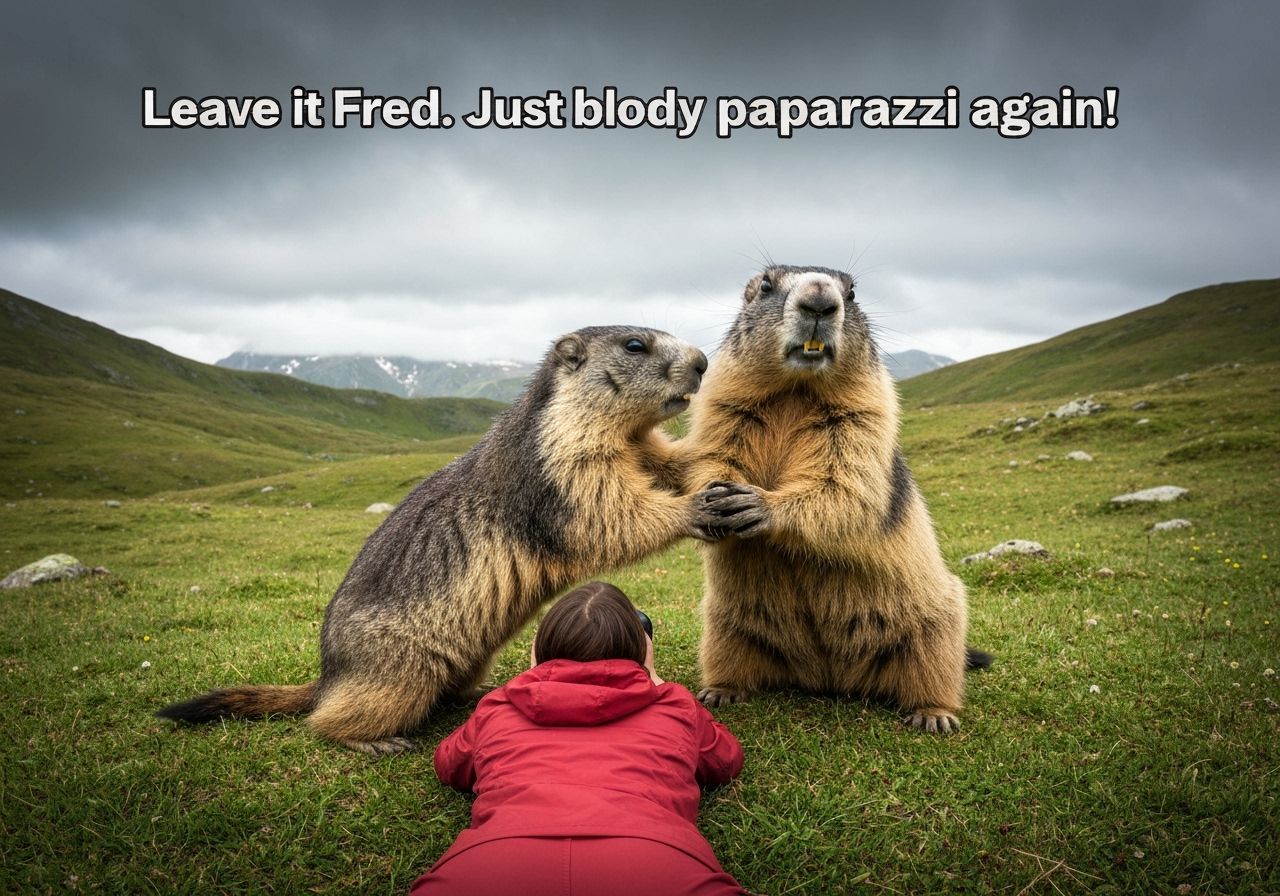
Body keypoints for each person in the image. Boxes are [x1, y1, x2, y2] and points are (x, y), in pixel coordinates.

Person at [409, 581, 748, 896]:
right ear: (642, 651)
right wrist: (656, 683)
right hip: (655, 858)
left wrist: (530, 678)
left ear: (539, 649)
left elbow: (449, 764)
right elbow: (725, 760)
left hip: (494, 859)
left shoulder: (499, 705)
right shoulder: (673, 704)